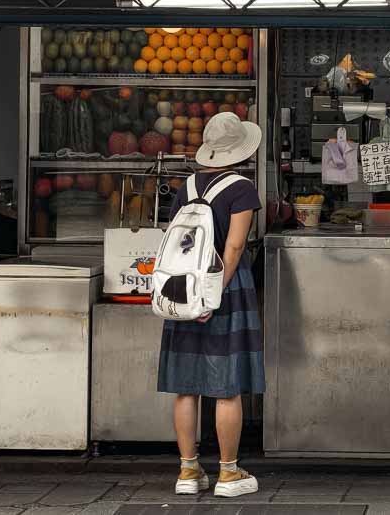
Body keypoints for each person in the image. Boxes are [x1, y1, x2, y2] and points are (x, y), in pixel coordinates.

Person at [157, 112, 266, 499]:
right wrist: (216, 286)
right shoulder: (242, 188)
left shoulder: (186, 185)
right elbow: (234, 245)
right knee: (227, 386)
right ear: (239, 150)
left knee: (186, 387)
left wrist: (197, 287)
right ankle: (228, 474)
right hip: (225, 286)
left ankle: (188, 472)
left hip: (183, 286)